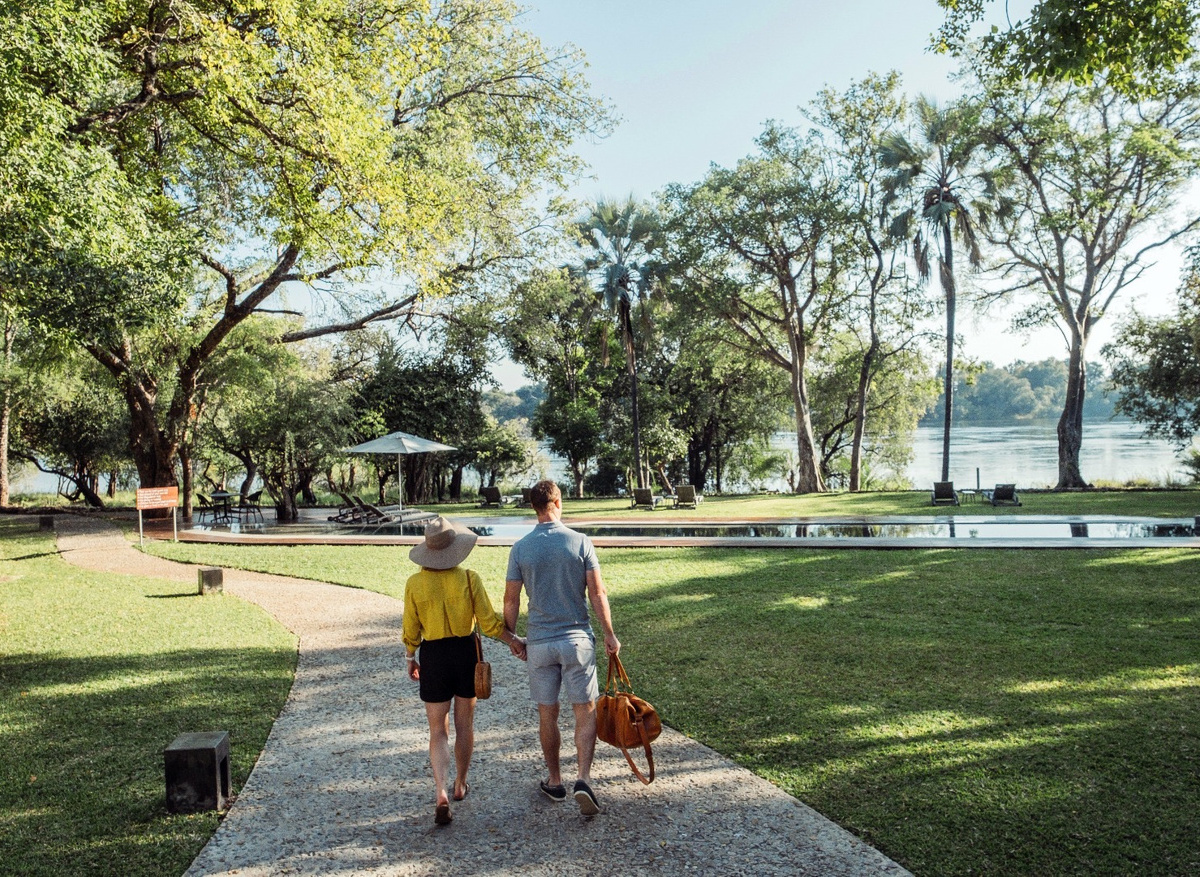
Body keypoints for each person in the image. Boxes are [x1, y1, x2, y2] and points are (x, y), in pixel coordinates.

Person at [504, 480, 621, 816]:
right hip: (577, 642)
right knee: (584, 712)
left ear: (534, 506)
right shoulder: (581, 542)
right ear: (557, 501)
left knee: (547, 715)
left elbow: (511, 599)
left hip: (539, 643)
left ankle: (555, 780)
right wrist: (610, 634)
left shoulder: (521, 548)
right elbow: (597, 594)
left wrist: (512, 638)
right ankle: (583, 778)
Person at [403, 515, 526, 825]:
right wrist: (512, 639)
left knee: (437, 731)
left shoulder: (415, 583)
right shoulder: (469, 578)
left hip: (433, 654)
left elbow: (411, 628)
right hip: (464, 652)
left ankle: (440, 791)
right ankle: (460, 784)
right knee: (464, 725)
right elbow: (488, 623)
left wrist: (410, 657)